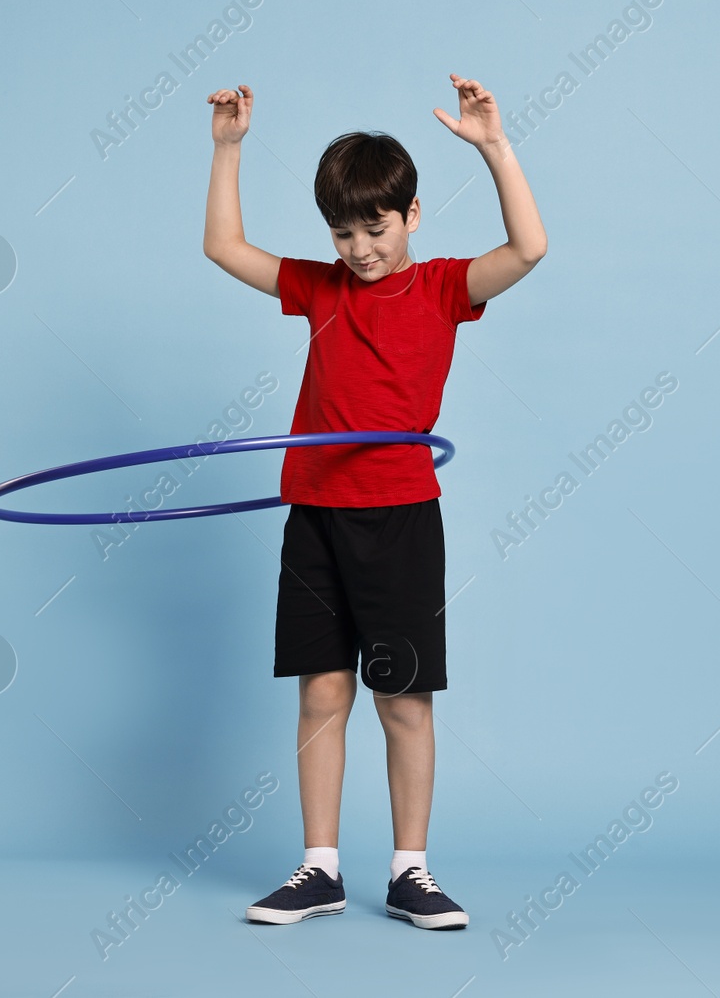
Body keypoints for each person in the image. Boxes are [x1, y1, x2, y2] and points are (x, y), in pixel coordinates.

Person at [201, 74, 546, 930]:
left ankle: (410, 871)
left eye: (375, 228)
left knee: (402, 697)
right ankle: (320, 868)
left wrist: (496, 148)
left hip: (398, 518)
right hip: (315, 514)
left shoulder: (442, 290)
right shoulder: (318, 288)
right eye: (343, 232)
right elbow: (224, 248)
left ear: (414, 215)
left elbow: (530, 249)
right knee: (322, 691)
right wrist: (228, 149)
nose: (359, 249)